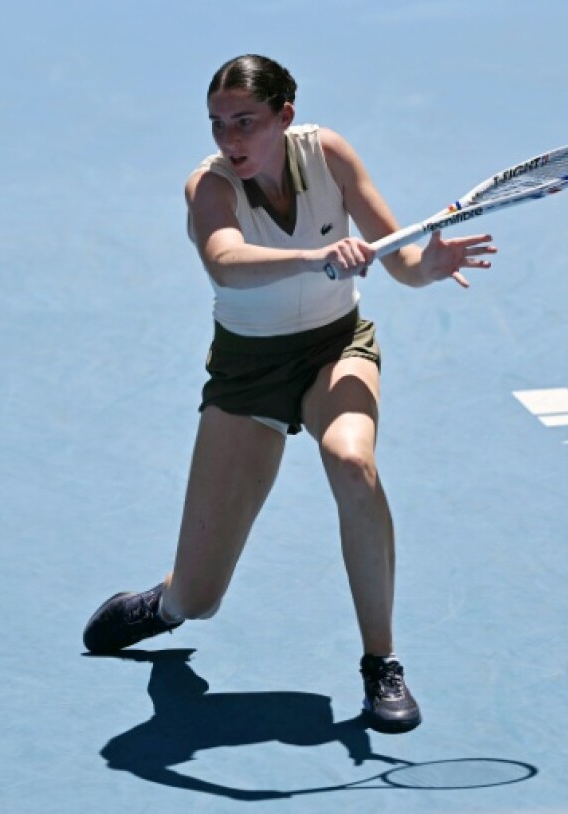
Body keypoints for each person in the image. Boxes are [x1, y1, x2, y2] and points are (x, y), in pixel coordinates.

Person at [83, 54, 495, 734]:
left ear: (285, 117)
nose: (230, 140)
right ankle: (166, 603)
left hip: (337, 349)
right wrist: (315, 258)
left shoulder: (328, 155)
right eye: (218, 125)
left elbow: (403, 262)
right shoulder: (209, 188)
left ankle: (381, 663)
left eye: (246, 122)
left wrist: (432, 264)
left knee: (353, 464)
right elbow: (226, 262)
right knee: (202, 598)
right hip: (248, 374)